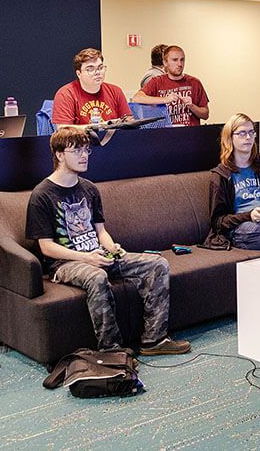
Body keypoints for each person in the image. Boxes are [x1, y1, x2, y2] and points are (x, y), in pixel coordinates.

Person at [25, 126, 191, 355]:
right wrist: (86, 258)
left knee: (158, 264)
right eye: (77, 151)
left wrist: (111, 246)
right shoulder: (42, 195)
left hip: (98, 255)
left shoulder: (89, 189)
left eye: (86, 150)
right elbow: (47, 247)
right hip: (65, 264)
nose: (84, 156)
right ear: (59, 154)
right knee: (97, 276)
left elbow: (100, 231)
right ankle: (111, 350)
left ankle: (154, 340)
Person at [204, 113, 260, 252]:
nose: (248, 137)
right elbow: (218, 221)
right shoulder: (220, 175)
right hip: (242, 228)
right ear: (230, 138)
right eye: (242, 133)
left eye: (251, 132)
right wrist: (249, 215)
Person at [131, 45, 209, 126]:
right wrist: (165, 100)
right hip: (165, 134)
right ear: (165, 62)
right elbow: (136, 99)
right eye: (175, 60)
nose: (179, 64)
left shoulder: (195, 82)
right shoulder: (156, 81)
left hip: (189, 133)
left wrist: (192, 106)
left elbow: (205, 114)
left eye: (182, 60)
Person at [51, 48, 131, 126]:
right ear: (79, 74)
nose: (98, 72)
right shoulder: (65, 94)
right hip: (79, 139)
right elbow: (63, 130)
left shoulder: (115, 91)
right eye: (90, 69)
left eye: (100, 68)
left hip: (112, 138)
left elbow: (130, 124)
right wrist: (101, 126)